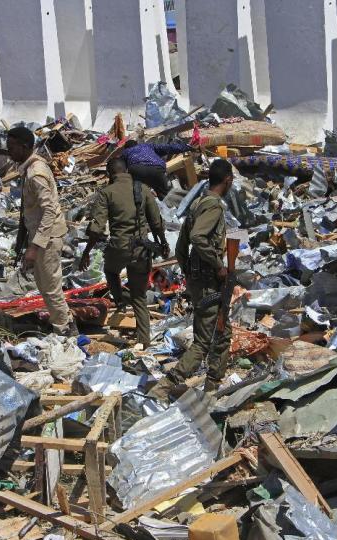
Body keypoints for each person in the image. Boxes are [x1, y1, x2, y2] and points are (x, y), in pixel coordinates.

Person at [148, 159, 234, 401]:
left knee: (221, 331)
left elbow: (182, 245)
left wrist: (189, 272)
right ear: (227, 180)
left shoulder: (197, 203)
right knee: (204, 341)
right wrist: (217, 266)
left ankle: (212, 386)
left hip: (200, 280)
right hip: (209, 281)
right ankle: (165, 386)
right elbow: (197, 237)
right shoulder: (214, 206)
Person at [78, 157, 170, 347]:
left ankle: (120, 300)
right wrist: (163, 243)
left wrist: (86, 252)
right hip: (142, 250)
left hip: (119, 248)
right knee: (140, 297)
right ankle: (143, 341)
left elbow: (96, 228)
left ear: (110, 174)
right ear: (126, 170)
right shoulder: (143, 189)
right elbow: (156, 222)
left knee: (111, 272)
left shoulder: (107, 193)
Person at [6, 126, 77, 337]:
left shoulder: (36, 173)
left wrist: (35, 246)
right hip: (40, 235)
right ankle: (62, 321)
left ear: (25, 147)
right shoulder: (30, 169)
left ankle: (64, 329)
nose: (9, 152)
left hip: (47, 237)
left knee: (50, 286)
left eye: (12, 147)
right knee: (45, 285)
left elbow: (49, 211)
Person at [120, 139, 191, 199]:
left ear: (126, 148)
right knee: (165, 194)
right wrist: (186, 147)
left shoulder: (125, 152)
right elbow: (167, 147)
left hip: (137, 170)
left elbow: (119, 167)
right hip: (156, 168)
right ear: (137, 144)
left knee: (140, 193)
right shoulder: (146, 146)